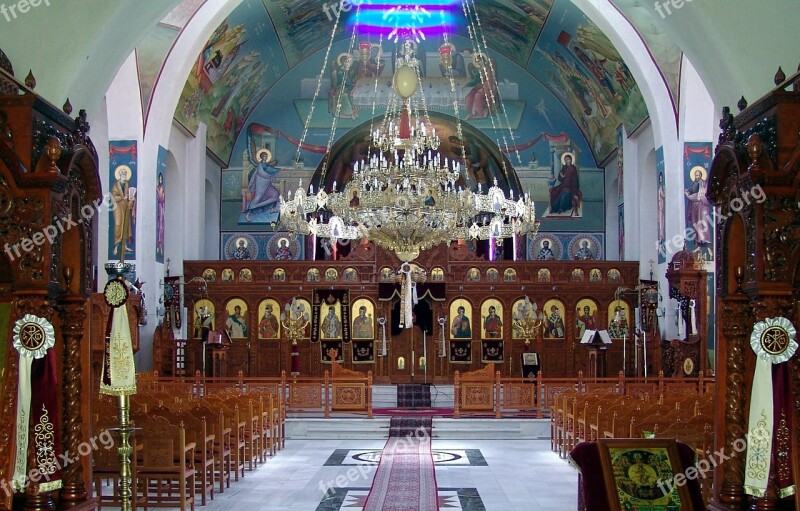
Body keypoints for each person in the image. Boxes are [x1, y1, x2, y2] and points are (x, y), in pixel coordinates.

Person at [242, 149, 280, 222]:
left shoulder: (266, 164)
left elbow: (270, 170)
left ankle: (272, 209)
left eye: (266, 156)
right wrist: (278, 170)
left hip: (267, 184)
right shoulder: (261, 165)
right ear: (261, 157)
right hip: (261, 183)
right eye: (264, 156)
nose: (265, 157)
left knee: (275, 194)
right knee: (257, 198)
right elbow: (266, 171)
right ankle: (248, 213)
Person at [464, 52, 498, 119]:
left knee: (478, 95)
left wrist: (483, 88)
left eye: (479, 61)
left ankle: (480, 113)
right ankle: (470, 113)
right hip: (480, 86)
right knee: (469, 97)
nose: (478, 63)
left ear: (483, 60)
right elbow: (475, 80)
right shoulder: (480, 70)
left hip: (489, 86)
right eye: (476, 61)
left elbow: (490, 80)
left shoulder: (489, 69)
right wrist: (467, 85)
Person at [684, 166, 712, 249]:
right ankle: (698, 243)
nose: (697, 177)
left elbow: (706, 194)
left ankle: (706, 244)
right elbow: (690, 192)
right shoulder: (693, 184)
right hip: (694, 206)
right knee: (695, 224)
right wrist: (687, 193)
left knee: (704, 223)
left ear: (701, 175)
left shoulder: (704, 184)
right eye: (695, 175)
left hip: (702, 206)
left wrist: (694, 196)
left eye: (698, 175)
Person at [111, 165, 136, 256]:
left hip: (125, 206)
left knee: (125, 225)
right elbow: (113, 197)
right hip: (118, 207)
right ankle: (116, 246)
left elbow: (129, 197)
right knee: (118, 224)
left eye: (125, 174)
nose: (124, 175)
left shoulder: (127, 184)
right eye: (122, 173)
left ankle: (124, 245)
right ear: (120, 175)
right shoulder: (116, 185)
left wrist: (131, 199)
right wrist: (122, 197)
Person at [329, 53, 358, 119]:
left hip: (348, 88)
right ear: (342, 62)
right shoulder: (340, 72)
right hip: (341, 89)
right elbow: (342, 82)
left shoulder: (348, 71)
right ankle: (348, 113)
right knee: (344, 96)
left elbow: (350, 80)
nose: (348, 63)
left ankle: (352, 112)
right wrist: (353, 85)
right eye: (346, 62)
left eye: (349, 62)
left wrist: (353, 84)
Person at [155, 171, 165, 257]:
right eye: (160, 179)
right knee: (158, 225)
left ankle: (160, 243)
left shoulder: (162, 188)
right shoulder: (157, 188)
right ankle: (158, 244)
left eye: (162, 179)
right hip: (158, 207)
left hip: (161, 208)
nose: (161, 180)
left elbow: (163, 199)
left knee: (161, 227)